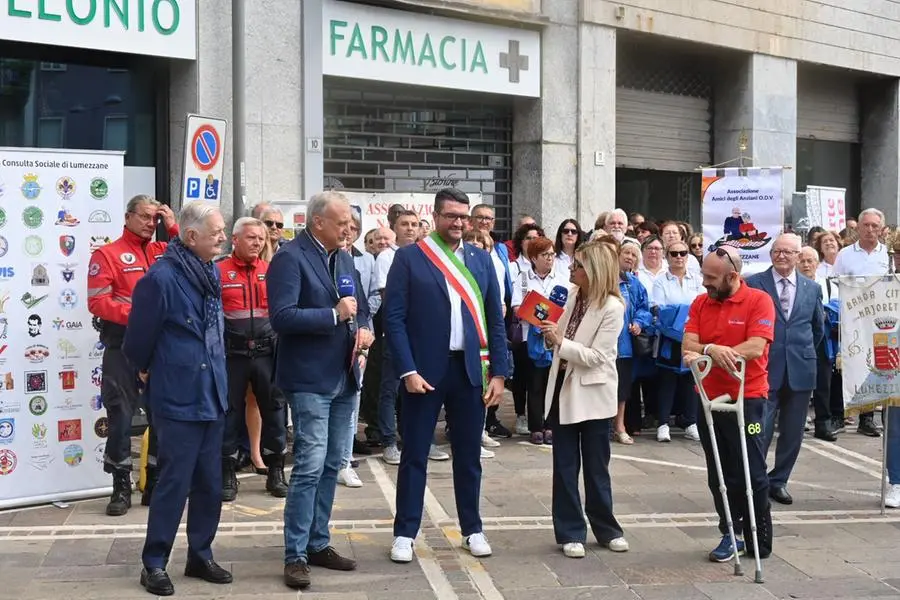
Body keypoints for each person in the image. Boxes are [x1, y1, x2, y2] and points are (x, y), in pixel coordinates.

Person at [384, 187, 509, 563]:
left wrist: (500, 373)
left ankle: (472, 529)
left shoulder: (481, 260)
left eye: (463, 216)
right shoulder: (410, 258)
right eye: (451, 216)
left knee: (469, 456)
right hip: (424, 373)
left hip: (471, 371)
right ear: (436, 217)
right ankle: (405, 532)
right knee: (415, 456)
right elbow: (394, 319)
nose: (458, 223)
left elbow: (495, 321)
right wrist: (407, 369)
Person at [123, 202, 232, 596]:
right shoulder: (161, 278)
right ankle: (154, 562)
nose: (223, 237)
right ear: (191, 236)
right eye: (217, 231)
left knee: (209, 483)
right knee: (173, 482)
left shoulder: (209, 272)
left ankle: (200, 554)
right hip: (179, 396)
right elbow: (137, 340)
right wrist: (151, 368)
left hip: (212, 394)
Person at [268, 191, 373, 589]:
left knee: (333, 464)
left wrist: (366, 328)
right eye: (342, 220)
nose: (349, 227)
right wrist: (333, 314)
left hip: (346, 374)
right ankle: (295, 554)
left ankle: (318, 541)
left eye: (350, 220)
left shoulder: (345, 256)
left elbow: (360, 305)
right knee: (309, 466)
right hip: (310, 378)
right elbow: (282, 317)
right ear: (318, 223)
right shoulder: (289, 258)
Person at [682, 246, 775, 563]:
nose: (705, 283)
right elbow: (689, 343)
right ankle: (730, 532)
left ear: (732, 276)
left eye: (711, 278)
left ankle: (757, 531)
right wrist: (712, 348)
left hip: (748, 400)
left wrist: (722, 353)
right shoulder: (700, 303)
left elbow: (756, 345)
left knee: (751, 465)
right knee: (718, 468)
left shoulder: (758, 301)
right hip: (708, 399)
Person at [87, 194, 177, 516]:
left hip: (160, 348)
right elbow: (98, 302)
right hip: (122, 345)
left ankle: (152, 482)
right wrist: (139, 314)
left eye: (155, 218)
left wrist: (174, 225)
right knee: (121, 418)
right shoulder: (107, 254)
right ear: (128, 217)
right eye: (145, 217)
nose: (150, 223)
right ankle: (120, 487)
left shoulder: (163, 252)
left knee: (162, 417)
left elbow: (193, 257)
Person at [539, 240, 629, 559]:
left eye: (577, 265)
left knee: (596, 466)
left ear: (593, 271)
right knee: (564, 466)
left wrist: (560, 342)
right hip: (564, 385)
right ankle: (570, 531)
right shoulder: (574, 295)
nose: (570, 269)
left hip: (593, 391)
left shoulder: (613, 308)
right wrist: (550, 331)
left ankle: (607, 529)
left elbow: (598, 357)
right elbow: (562, 337)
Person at [746, 234, 824, 505]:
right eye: (777, 251)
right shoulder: (754, 283)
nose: (781, 256)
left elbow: (818, 329)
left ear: (798, 256)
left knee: (793, 431)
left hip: (801, 368)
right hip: (764, 368)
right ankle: (755, 480)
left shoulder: (811, 288)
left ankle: (779, 481)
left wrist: (799, 352)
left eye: (788, 252)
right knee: (759, 427)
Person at [217, 218, 288, 501]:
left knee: (274, 411)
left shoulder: (271, 271)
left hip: (266, 353)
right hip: (232, 354)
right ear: (235, 240)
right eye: (251, 238)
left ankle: (276, 472)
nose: (257, 242)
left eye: (261, 238)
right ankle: (227, 473)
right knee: (229, 414)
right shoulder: (218, 271)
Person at [832, 208, 888, 438]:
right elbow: (836, 283)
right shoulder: (845, 255)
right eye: (866, 225)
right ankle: (839, 414)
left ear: (882, 229)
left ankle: (868, 418)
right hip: (853, 318)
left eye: (875, 226)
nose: (870, 229)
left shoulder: (888, 254)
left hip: (881, 320)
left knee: (877, 367)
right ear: (859, 227)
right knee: (847, 365)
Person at [511, 236, 571, 444]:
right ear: (534, 257)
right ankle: (536, 426)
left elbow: (567, 308)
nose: (549, 259)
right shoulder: (524, 278)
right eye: (545, 255)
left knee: (553, 382)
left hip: (554, 337)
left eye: (552, 254)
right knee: (534, 383)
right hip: (531, 337)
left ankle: (551, 425)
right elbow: (517, 308)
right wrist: (539, 317)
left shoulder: (562, 279)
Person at [651, 238, 704, 442]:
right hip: (669, 339)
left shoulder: (697, 280)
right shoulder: (660, 282)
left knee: (691, 380)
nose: (679, 257)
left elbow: (701, 306)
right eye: (674, 254)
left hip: (694, 337)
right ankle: (663, 423)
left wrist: (682, 314)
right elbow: (660, 310)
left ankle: (691, 422)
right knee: (667, 381)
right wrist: (683, 314)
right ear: (667, 257)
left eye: (683, 253)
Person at [469, 203, 514, 439]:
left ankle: (489, 420)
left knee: (493, 371)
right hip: (475, 321)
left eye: (489, 218)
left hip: (497, 316)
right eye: (480, 217)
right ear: (471, 220)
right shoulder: (465, 252)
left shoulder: (501, 252)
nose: (484, 222)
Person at [798, 246, 838, 442]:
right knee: (798, 381)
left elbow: (838, 308)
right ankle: (797, 422)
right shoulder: (793, 284)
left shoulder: (829, 285)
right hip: (800, 337)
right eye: (802, 261)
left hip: (823, 338)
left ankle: (823, 423)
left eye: (810, 261)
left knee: (823, 382)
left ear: (817, 263)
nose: (806, 265)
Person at [614, 239, 652, 443]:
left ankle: (620, 425)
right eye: (626, 252)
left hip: (626, 345)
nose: (629, 257)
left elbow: (643, 309)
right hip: (606, 344)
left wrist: (638, 322)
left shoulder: (634, 283)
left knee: (623, 388)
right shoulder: (606, 279)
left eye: (634, 255)